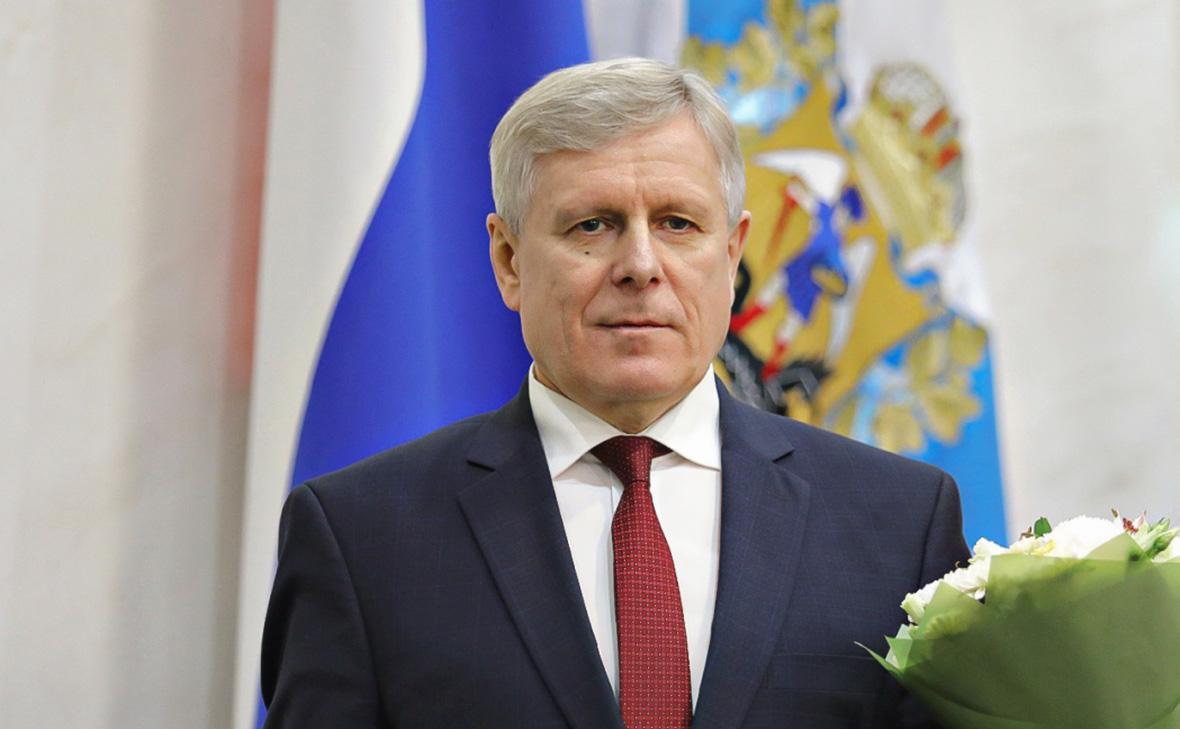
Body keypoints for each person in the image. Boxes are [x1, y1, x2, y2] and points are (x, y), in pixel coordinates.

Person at [260, 57, 969, 729]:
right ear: (509, 261)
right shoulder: (360, 539)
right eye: (592, 225)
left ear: (731, 254)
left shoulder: (900, 525)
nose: (640, 265)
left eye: (677, 223)